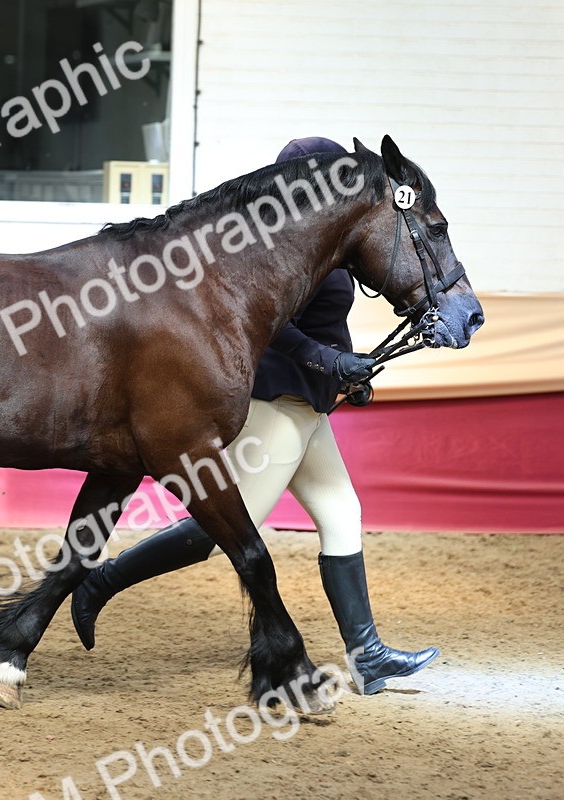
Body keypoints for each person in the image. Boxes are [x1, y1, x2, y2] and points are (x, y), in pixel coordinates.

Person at [70, 137, 438, 695]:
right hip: (275, 402)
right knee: (218, 529)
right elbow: (275, 328)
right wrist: (331, 360)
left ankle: (369, 657)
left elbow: (327, 323)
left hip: (309, 405)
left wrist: (348, 373)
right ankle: (102, 582)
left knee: (342, 512)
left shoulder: (329, 243)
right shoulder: (276, 249)